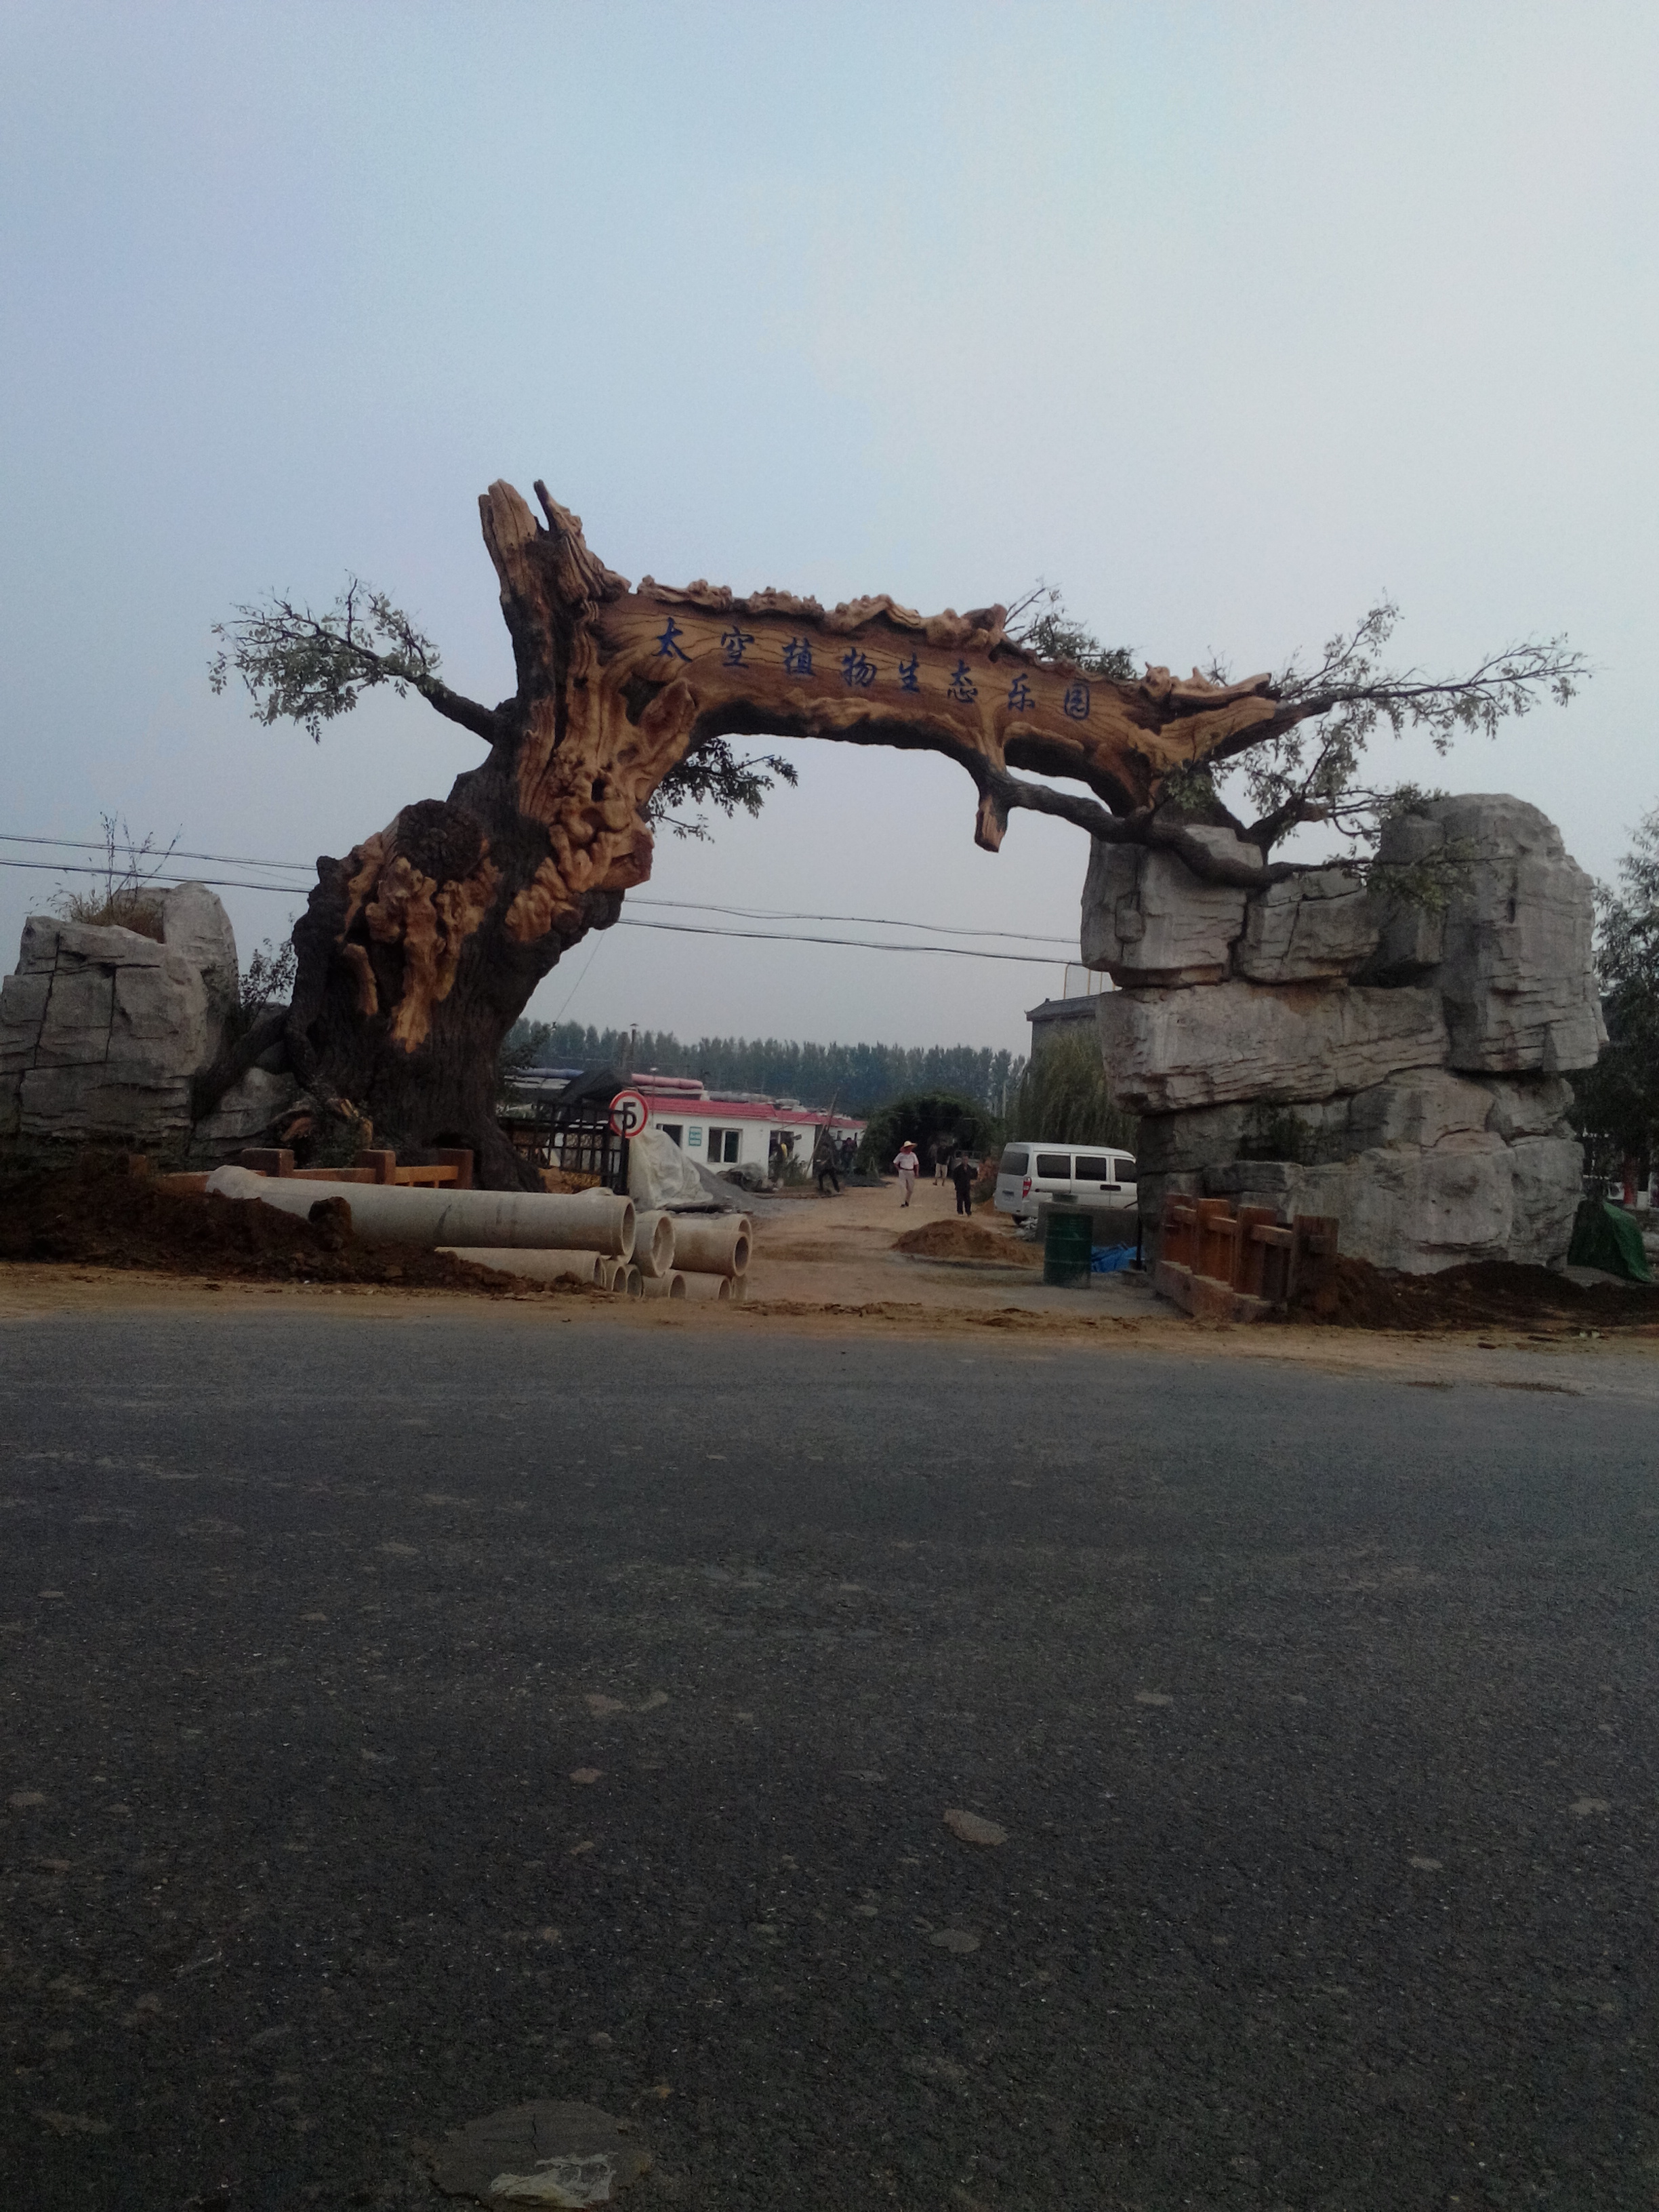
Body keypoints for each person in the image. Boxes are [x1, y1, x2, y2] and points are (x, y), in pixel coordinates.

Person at [894, 1139, 921, 1205]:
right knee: (902, 1187)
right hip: (903, 1171)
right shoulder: (901, 1155)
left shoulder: (913, 1155)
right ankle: (903, 1202)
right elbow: (895, 1163)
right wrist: (899, 1170)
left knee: (910, 1189)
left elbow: (916, 1164)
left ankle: (907, 1201)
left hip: (911, 1171)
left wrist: (917, 1172)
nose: (910, 1148)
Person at [949, 1151, 976, 1216]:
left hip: (967, 1187)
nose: (965, 1161)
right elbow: (954, 1177)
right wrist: (956, 1184)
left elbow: (972, 1177)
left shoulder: (969, 1168)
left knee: (968, 1200)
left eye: (966, 1160)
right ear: (962, 1160)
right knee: (960, 1200)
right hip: (960, 1187)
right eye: (964, 1160)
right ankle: (960, 1212)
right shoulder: (958, 1169)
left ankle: (968, 1212)